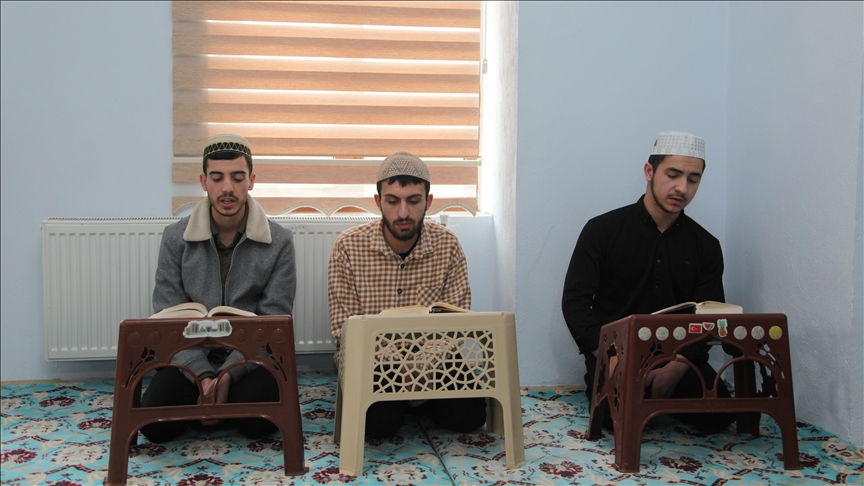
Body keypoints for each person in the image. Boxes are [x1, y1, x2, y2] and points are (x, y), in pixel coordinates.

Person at [562, 131, 735, 433]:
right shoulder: (602, 231)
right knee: (614, 420)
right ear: (649, 171)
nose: (682, 188)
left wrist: (677, 368)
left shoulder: (705, 246)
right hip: (616, 356)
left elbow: (709, 315)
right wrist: (606, 357)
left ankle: (666, 394)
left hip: (679, 358)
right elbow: (575, 302)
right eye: (673, 175)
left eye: (693, 179)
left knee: (720, 415)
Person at [140, 134, 297, 443]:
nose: (227, 188)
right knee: (155, 427)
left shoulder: (279, 241)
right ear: (204, 182)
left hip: (250, 359)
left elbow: (274, 322)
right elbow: (168, 315)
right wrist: (202, 374)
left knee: (259, 424)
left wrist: (228, 375)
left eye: (237, 178)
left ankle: (213, 405)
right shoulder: (175, 238)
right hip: (188, 357)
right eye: (217, 178)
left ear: (251, 181)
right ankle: (210, 402)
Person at [327, 151, 486, 439]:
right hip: (373, 359)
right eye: (392, 201)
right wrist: (401, 372)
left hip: (435, 358)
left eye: (413, 201)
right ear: (378, 202)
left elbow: (456, 321)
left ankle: (413, 402)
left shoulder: (447, 245)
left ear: (428, 201)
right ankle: (414, 403)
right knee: (377, 424)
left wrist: (423, 366)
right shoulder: (348, 246)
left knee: (472, 415)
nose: (403, 213)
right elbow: (344, 329)